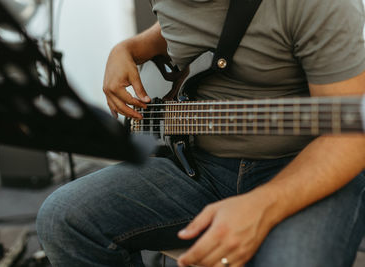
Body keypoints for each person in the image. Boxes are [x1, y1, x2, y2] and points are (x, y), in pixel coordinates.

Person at [36, 0, 365, 266]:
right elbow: (182, 25)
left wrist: (262, 205)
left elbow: (351, 136)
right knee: (64, 219)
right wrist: (128, 48)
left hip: (305, 170)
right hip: (201, 166)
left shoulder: (322, 5)